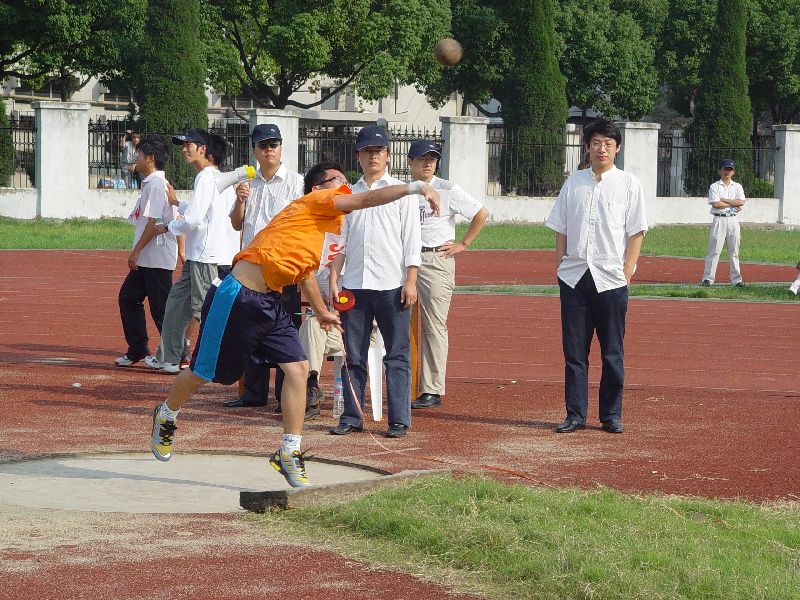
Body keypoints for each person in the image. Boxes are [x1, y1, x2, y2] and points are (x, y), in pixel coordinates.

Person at [148, 162, 441, 488]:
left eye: (346, 182)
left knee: (299, 369)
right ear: (319, 190)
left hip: (270, 305)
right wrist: (415, 187)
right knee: (204, 373)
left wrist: (322, 311)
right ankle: (167, 414)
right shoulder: (313, 203)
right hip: (237, 296)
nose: (346, 187)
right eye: (337, 182)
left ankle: (289, 452)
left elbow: (303, 275)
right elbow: (367, 200)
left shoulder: (323, 231)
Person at [545, 118, 648, 435]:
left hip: (611, 279)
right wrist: (560, 264)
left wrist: (628, 268)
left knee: (612, 352)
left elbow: (636, 231)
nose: (601, 148)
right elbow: (560, 226)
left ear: (617, 148)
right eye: (595, 142)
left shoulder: (629, 184)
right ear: (587, 147)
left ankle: (610, 414)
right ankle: (575, 414)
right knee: (574, 352)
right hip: (575, 277)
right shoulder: (573, 183)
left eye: (608, 143)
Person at [328, 125, 421, 439]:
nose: (373, 156)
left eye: (378, 151)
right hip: (354, 284)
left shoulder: (401, 192)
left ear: (388, 155)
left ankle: (398, 419)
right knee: (352, 355)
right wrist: (334, 279)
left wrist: (411, 280)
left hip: (392, 282)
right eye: (367, 151)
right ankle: (352, 416)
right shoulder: (348, 195)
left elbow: (412, 239)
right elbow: (340, 241)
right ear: (358, 156)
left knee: (396, 354)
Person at [225, 123, 305, 409]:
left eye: (274, 143)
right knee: (250, 331)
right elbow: (236, 224)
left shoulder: (296, 183)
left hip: (282, 268)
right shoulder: (248, 185)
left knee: (287, 332)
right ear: (255, 150)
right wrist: (239, 200)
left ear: (282, 147)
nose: (269, 149)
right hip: (250, 270)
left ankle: (286, 395)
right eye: (263, 145)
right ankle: (253, 392)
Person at [406, 139, 489, 409]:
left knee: (434, 324)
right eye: (422, 158)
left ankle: (431, 388)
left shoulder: (448, 189)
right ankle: (400, 384)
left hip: (435, 259)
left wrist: (463, 244)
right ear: (409, 162)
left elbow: (481, 212)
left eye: (432, 158)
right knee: (393, 323)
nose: (428, 163)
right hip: (402, 260)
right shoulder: (401, 191)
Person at [145, 129, 236, 373]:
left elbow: (194, 219)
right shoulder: (218, 178)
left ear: (204, 149)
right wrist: (177, 203)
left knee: (203, 310)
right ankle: (171, 356)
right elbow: (204, 213)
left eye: (189, 144)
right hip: (201, 256)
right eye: (182, 145)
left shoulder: (206, 177)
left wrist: (167, 226)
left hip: (206, 258)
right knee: (176, 303)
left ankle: (211, 363)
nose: (184, 149)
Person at [114, 137, 178, 366]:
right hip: (148, 259)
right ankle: (137, 349)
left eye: (139, 154)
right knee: (128, 298)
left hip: (157, 258)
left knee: (162, 310)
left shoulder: (156, 185)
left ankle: (177, 355)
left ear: (150, 159)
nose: (135, 159)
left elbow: (154, 222)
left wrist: (136, 252)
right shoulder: (151, 183)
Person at [700, 159, 746, 287]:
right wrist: (733, 203)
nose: (727, 172)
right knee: (714, 250)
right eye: (725, 169)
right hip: (719, 219)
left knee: (734, 251)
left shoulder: (737, 186)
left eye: (730, 169)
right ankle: (708, 279)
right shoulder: (715, 186)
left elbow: (741, 202)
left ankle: (737, 280)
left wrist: (725, 200)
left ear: (733, 172)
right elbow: (716, 204)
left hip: (732, 220)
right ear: (720, 170)